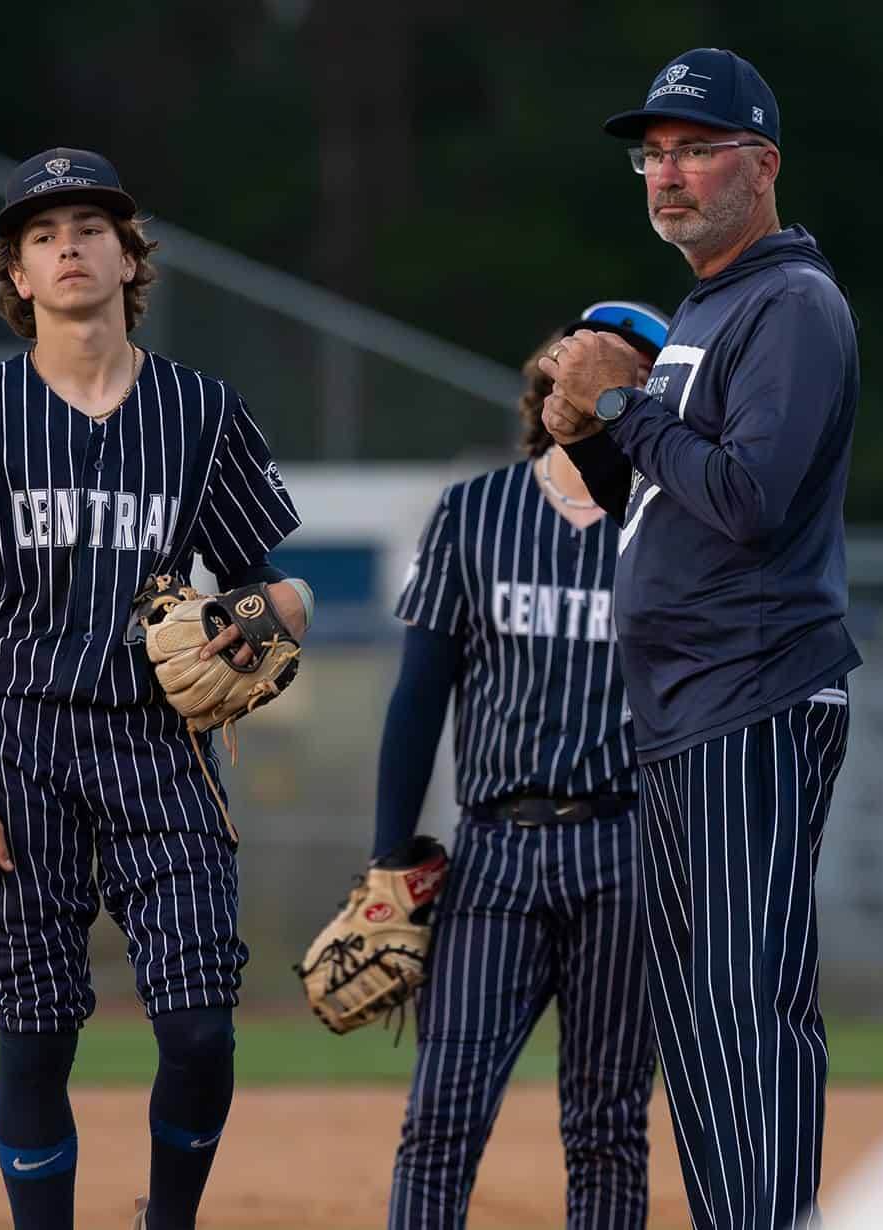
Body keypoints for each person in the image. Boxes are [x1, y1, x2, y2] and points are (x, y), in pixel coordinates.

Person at [0, 147, 311, 1230]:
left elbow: (277, 584)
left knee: (201, 1023)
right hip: (20, 746)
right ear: (16, 275)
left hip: (161, 749)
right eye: (40, 233)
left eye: (88, 226)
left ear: (129, 256)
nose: (67, 244)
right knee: (36, 1030)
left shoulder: (200, 412)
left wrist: (265, 623)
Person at [540, 48, 860, 1230]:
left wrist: (627, 403)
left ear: (760, 164)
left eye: (696, 148)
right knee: (698, 1009)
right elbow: (668, 500)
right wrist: (591, 433)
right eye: (653, 154)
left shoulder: (790, 303)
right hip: (685, 705)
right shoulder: (708, 305)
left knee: (743, 997)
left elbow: (749, 497)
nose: (667, 174)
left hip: (753, 694)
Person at [381, 300, 667, 1229]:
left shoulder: (667, 528)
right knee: (442, 1115)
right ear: (549, 369)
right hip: (494, 852)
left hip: (626, 850)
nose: (590, 369)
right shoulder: (475, 509)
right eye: (581, 351)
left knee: (607, 1126)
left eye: (621, 364)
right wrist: (389, 856)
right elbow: (419, 693)